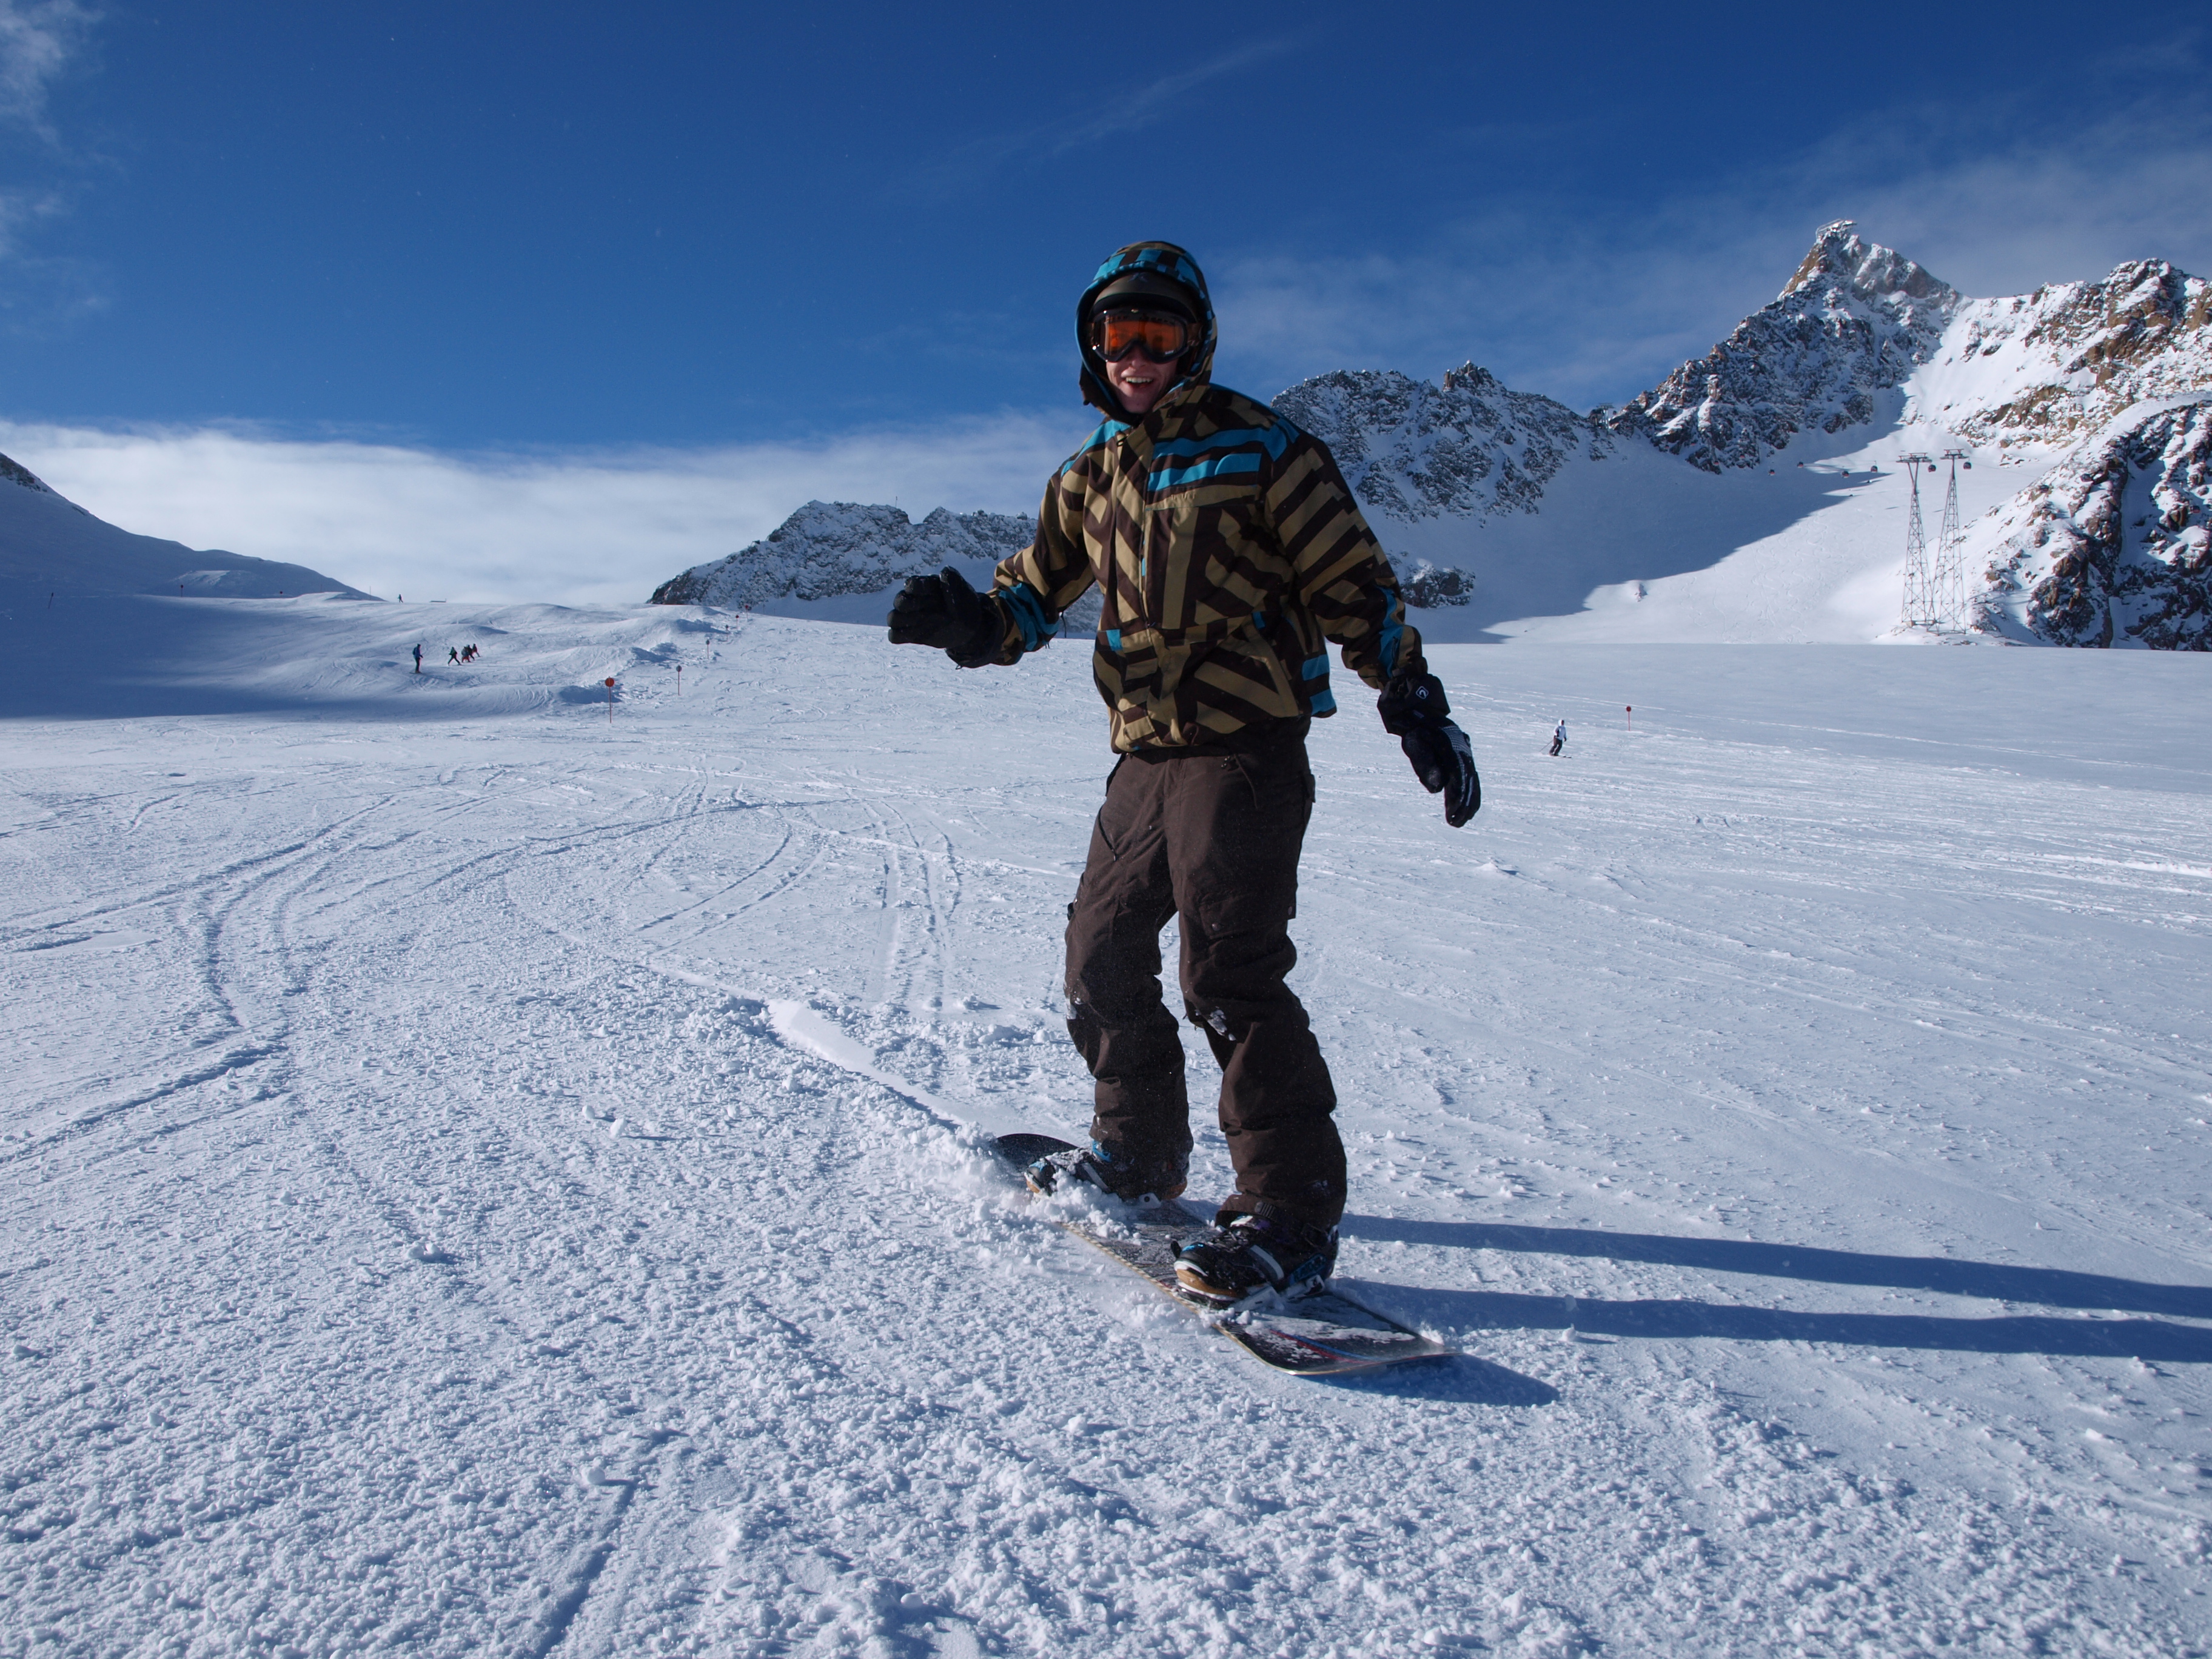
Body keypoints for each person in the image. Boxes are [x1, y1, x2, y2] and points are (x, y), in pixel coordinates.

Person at [887, 242, 1478, 1304]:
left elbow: (1354, 581)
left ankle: (1288, 1213)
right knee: (1101, 957)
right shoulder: (1088, 476)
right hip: (1144, 755)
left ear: (1196, 343)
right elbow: (1034, 596)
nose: (1138, 355)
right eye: (1119, 334)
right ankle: (1139, 1156)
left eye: (1159, 333)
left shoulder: (1264, 447)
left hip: (1245, 745)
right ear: (1093, 346)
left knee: (1228, 974)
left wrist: (1411, 695)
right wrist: (973, 623)